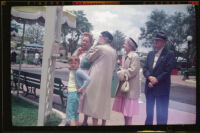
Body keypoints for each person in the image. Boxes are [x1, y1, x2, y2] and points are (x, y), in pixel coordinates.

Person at [82, 31, 117, 125]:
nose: (99, 38)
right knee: (103, 103)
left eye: (100, 36)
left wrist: (94, 44)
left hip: (95, 79)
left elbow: (88, 57)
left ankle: (89, 122)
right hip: (106, 81)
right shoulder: (114, 52)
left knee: (92, 102)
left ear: (104, 38)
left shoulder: (100, 48)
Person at [143, 32, 175, 125]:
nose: (155, 41)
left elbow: (167, 70)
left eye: (158, 40)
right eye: (155, 39)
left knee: (161, 115)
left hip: (162, 88)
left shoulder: (169, 54)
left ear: (164, 42)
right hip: (149, 88)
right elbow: (145, 68)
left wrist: (155, 80)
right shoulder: (150, 54)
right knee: (149, 115)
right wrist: (149, 77)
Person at [112, 38, 140, 125]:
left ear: (130, 46)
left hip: (130, 89)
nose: (124, 45)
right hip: (125, 88)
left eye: (125, 43)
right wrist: (121, 70)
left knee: (128, 113)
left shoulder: (134, 56)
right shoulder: (126, 55)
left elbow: (133, 70)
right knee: (125, 113)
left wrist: (120, 73)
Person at [73, 32, 93, 126]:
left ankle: (85, 121)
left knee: (85, 99)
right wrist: (77, 52)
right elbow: (71, 60)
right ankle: (75, 119)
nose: (84, 42)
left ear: (90, 43)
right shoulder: (78, 50)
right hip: (76, 76)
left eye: (86, 41)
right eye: (83, 40)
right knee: (76, 99)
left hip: (85, 76)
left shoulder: (91, 52)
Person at [65, 55, 91, 126]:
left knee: (71, 114)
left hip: (74, 93)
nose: (73, 65)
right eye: (71, 63)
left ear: (78, 64)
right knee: (75, 113)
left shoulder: (78, 71)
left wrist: (82, 88)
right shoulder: (73, 70)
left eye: (75, 63)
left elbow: (88, 79)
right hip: (73, 93)